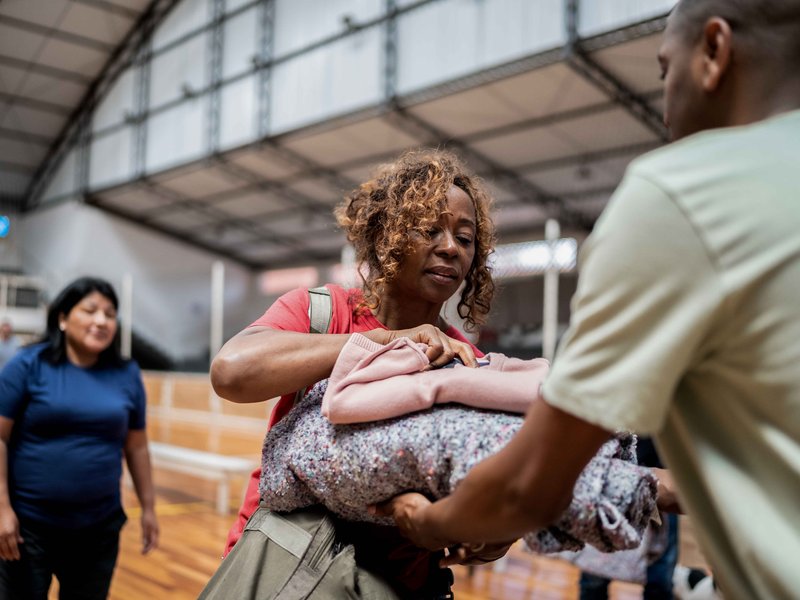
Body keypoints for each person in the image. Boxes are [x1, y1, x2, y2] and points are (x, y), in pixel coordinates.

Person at [376, 2, 800, 598]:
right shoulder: (329, 311)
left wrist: (431, 522)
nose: (665, 102)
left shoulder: (681, 194)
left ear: (714, 49)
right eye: (429, 232)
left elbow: (532, 483)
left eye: (663, 72)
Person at [208, 149, 502, 597]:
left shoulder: (463, 358)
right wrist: (385, 342)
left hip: (398, 584)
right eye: (431, 229)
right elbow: (231, 373)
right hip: (282, 568)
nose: (450, 247)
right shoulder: (321, 311)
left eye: (465, 238)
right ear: (388, 235)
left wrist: (489, 535)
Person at [0, 277, 159, 599]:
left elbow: (137, 445)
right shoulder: (27, 365)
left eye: (110, 314)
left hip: (98, 531)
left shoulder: (126, 373)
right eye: (90, 310)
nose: (101, 320)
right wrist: (2, 509)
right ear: (62, 317)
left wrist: (149, 507)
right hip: (28, 529)